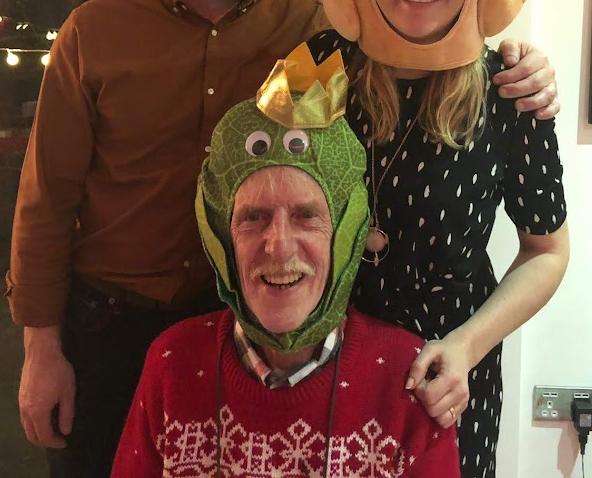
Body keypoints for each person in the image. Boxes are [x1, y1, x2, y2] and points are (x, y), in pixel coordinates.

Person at [7, 0, 557, 478]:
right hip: (162, 334)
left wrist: (522, 59)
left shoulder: (325, 40)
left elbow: (545, 247)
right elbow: (49, 201)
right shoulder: (307, 53)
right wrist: (40, 347)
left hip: (393, 365)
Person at [306, 0, 570, 478]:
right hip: (326, 366)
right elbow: (255, 178)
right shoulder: (319, 64)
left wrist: (469, 345)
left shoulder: (510, 90)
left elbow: (547, 250)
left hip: (449, 381)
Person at [112, 46, 461, 477]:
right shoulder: (173, 364)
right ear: (222, 236)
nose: (279, 247)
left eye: (306, 216)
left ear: (346, 233)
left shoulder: (408, 381)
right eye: (253, 218)